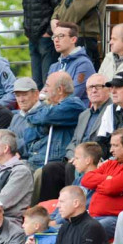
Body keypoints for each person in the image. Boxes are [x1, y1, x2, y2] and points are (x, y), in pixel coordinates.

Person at [35, 73, 111, 201]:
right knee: (51, 168)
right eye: (90, 87)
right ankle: (49, 210)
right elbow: (74, 141)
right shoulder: (84, 114)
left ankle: (75, 205)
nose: (93, 90)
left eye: (98, 86)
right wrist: (72, 156)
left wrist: (79, 159)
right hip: (76, 158)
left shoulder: (112, 111)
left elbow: (105, 142)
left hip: (95, 159)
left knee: (71, 167)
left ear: (108, 89)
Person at [81, 128, 123, 237]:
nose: (111, 150)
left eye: (115, 145)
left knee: (88, 231)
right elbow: (86, 179)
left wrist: (100, 183)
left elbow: (110, 188)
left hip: (116, 218)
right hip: (95, 216)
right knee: (69, 229)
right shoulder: (111, 163)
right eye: (111, 145)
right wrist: (108, 178)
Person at [22, 71, 86, 171]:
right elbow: (28, 131)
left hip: (53, 162)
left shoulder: (74, 105)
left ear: (60, 89)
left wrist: (43, 121)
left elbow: (45, 117)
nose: (45, 89)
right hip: (36, 158)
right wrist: (43, 127)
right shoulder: (48, 106)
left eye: (47, 86)